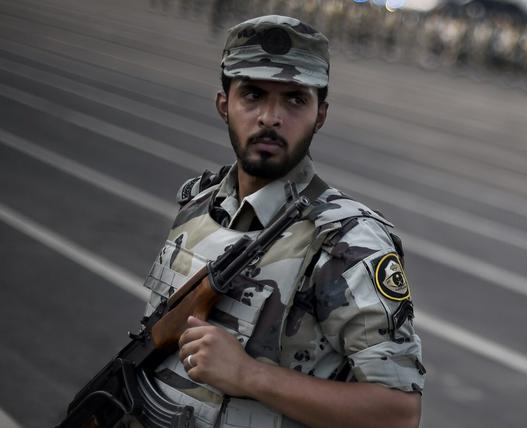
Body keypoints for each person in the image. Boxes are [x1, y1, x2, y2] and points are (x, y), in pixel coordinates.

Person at [138, 15, 424, 427]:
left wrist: (250, 375)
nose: (271, 117)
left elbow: (398, 414)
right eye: (253, 94)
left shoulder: (347, 243)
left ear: (320, 113)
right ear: (224, 105)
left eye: (294, 99)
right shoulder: (198, 204)